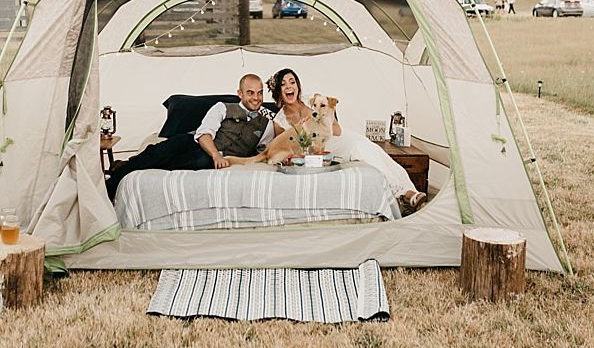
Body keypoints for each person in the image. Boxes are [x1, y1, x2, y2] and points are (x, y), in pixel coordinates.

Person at [267, 68, 427, 212]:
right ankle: (404, 195)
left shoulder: (314, 100)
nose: (289, 86)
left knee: (375, 152)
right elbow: (289, 149)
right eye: (283, 84)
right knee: (362, 150)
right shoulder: (280, 120)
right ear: (279, 92)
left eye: (292, 82)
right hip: (324, 150)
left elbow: (337, 130)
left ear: (298, 86)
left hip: (339, 138)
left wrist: (325, 116)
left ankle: (410, 193)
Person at [105, 74, 276, 201]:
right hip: (195, 143)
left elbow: (264, 152)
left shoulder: (266, 124)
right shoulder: (222, 107)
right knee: (162, 150)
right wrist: (215, 155)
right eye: (250, 93)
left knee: (199, 162)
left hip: (214, 158)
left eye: (260, 93)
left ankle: (129, 165)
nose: (256, 98)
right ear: (240, 93)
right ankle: (108, 188)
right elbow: (204, 134)